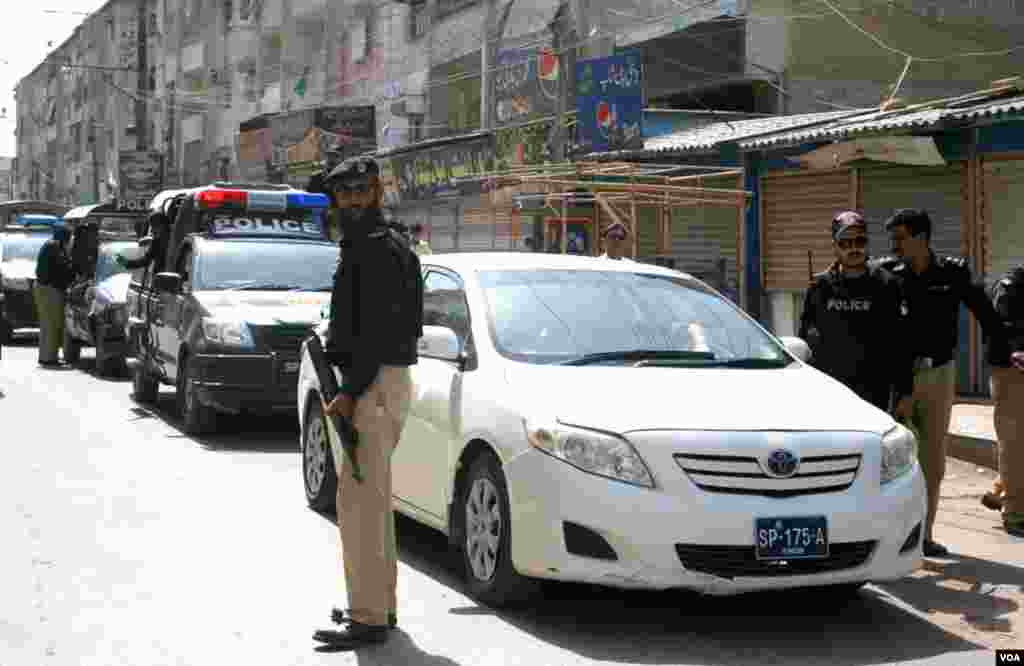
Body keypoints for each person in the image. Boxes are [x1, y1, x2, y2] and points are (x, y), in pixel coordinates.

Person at [313, 156, 424, 650]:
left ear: (377, 192)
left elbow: (379, 331)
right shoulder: (385, 242)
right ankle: (380, 606)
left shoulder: (376, 249)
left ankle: (368, 618)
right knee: (373, 504)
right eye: (346, 193)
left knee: (359, 507)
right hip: (382, 381)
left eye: (361, 191)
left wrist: (347, 392)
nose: (353, 200)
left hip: (372, 385)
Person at [875, 208, 1010, 557]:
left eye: (900, 238)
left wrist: (1009, 353)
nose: (894, 245)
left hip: (938, 376)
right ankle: (892, 538)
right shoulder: (889, 275)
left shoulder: (952, 273)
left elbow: (986, 313)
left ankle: (925, 535)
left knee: (933, 463)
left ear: (921, 238)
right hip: (899, 379)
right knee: (894, 461)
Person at [798, 211, 913, 411]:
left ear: (867, 243)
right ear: (835, 246)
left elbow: (901, 343)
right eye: (845, 243)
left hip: (874, 393)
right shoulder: (819, 287)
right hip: (830, 393)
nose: (853, 248)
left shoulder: (887, 284)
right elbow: (805, 339)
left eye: (859, 241)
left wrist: (904, 391)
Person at [982, 265, 1024, 534]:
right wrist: (1019, 349)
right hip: (1013, 371)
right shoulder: (1012, 284)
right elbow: (1003, 325)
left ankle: (999, 489)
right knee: (1015, 442)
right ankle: (1016, 513)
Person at [34, 226, 76, 367]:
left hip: (46, 288)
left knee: (49, 324)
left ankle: (48, 356)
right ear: (64, 237)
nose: (70, 240)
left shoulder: (52, 245)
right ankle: (48, 358)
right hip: (49, 289)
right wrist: (73, 269)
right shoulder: (54, 246)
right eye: (69, 237)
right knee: (51, 323)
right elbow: (61, 267)